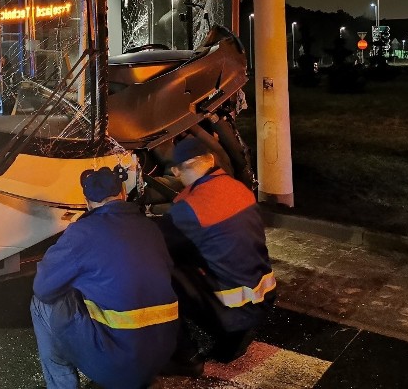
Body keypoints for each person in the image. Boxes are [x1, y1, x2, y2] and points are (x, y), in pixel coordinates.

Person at [30, 165, 179, 389]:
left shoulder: (82, 233)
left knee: (41, 304)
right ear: (121, 194)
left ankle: (62, 385)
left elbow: (43, 288)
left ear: (88, 203)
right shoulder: (150, 227)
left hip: (118, 366)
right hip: (161, 355)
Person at [158, 136, 276, 365]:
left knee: (159, 270)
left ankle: (186, 353)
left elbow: (157, 244)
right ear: (211, 159)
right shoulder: (237, 188)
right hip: (262, 295)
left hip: (233, 311)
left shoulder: (190, 209)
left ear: (175, 171)